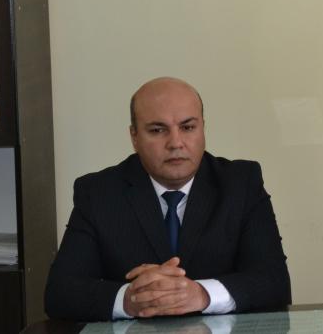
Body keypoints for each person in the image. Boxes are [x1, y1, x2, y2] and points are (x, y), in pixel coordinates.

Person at [44, 77, 291, 321]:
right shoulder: (99, 192)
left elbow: (275, 282)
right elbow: (60, 293)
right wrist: (130, 299)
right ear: (134, 137)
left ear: (203, 128)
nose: (175, 143)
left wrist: (202, 294)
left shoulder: (241, 183)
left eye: (188, 127)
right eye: (157, 130)